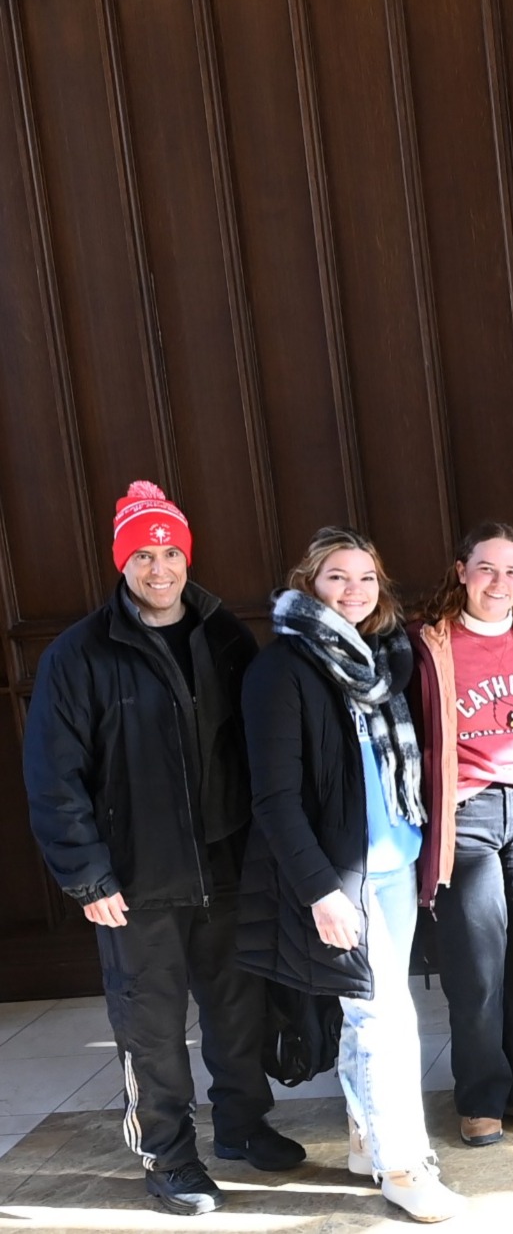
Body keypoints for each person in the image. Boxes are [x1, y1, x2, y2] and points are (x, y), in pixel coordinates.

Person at [24, 482, 297, 1216]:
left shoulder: (225, 635)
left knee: (239, 1011)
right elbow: (54, 777)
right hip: (136, 880)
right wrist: (86, 875)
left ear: (186, 555)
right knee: (151, 1030)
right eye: (142, 554)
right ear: (123, 563)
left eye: (170, 551)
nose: (159, 567)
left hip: (228, 864)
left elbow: (260, 749)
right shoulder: (78, 654)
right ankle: (170, 1158)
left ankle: (243, 1124)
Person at [240, 527, 462, 1221]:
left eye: (366, 579)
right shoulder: (282, 669)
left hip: (395, 861)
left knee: (375, 1011)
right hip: (344, 875)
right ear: (309, 581)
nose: (354, 592)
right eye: (338, 577)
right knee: (384, 1019)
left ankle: (369, 1139)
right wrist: (320, 891)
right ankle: (403, 1165)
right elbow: (274, 798)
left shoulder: (382, 657)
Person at [411, 522, 513, 1147]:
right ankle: (479, 1097)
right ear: (461, 571)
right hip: (465, 816)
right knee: (477, 969)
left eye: (512, 571)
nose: (498, 582)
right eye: (486, 568)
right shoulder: (428, 643)